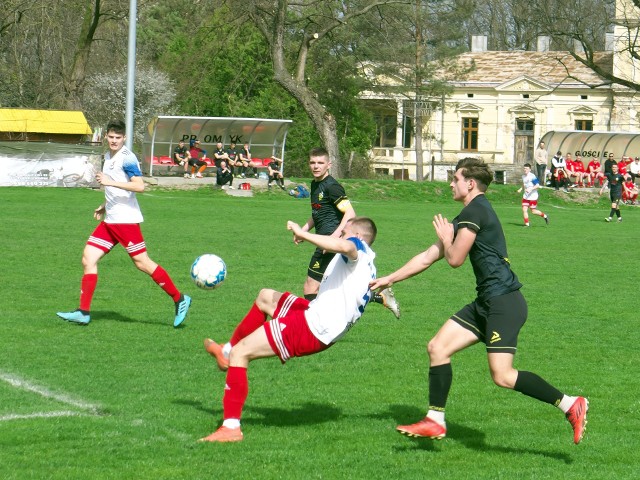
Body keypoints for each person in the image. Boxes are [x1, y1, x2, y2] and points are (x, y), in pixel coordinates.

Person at [369, 157, 588, 445]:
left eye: (455, 179)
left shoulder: (476, 211)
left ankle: (571, 404)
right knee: (437, 347)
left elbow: (455, 259)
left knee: (503, 375)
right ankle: (435, 420)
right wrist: (389, 279)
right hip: (486, 301)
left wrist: (448, 239)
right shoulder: (468, 215)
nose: (450, 183)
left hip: (503, 303)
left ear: (470, 183)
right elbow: (427, 257)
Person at [200, 216, 378, 442]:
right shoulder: (370, 263)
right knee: (265, 297)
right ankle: (225, 352)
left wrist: (303, 234)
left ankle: (231, 428)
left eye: (345, 232)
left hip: (313, 327)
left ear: (360, 237)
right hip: (317, 315)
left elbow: (345, 245)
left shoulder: (358, 248)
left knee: (241, 354)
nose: (341, 235)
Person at [56, 120, 191, 327]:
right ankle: (83, 312)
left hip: (126, 221)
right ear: (106, 137)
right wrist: (104, 205)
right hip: (111, 220)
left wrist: (109, 182)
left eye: (118, 138)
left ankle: (179, 299)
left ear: (124, 138)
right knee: (88, 258)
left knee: (142, 263)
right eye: (111, 137)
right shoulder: (109, 156)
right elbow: (118, 189)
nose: (114, 141)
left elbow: (139, 186)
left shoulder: (128, 158)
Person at [297, 147, 399, 318]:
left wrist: (333, 238)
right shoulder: (315, 184)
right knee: (328, 285)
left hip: (331, 242)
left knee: (311, 286)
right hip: (326, 241)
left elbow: (350, 213)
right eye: (312, 162)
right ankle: (379, 297)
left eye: (320, 163)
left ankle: (311, 323)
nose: (316, 166)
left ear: (328, 164)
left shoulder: (332, 187)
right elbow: (318, 212)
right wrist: (304, 229)